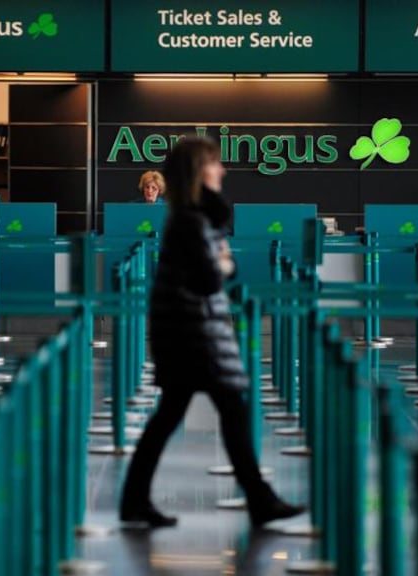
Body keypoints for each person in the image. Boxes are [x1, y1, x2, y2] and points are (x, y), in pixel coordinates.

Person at [119, 136, 305, 529]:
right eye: (215, 163)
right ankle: (259, 499)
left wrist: (222, 263)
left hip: (190, 331)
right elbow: (209, 277)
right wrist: (224, 264)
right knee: (221, 411)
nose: (222, 169)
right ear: (199, 171)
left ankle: (137, 500)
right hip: (194, 334)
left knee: (180, 414)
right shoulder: (192, 220)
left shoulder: (194, 217)